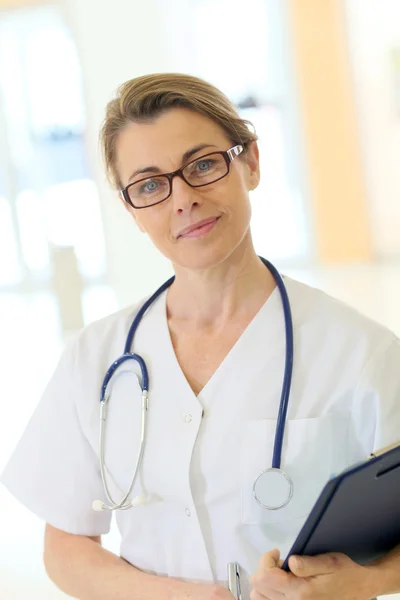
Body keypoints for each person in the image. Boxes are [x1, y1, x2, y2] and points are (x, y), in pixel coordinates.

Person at [1, 73, 400, 600]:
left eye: (203, 165)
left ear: (250, 162)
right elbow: (66, 547)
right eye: (149, 184)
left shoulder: (360, 352)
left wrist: (368, 581)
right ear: (131, 210)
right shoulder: (96, 358)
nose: (182, 198)